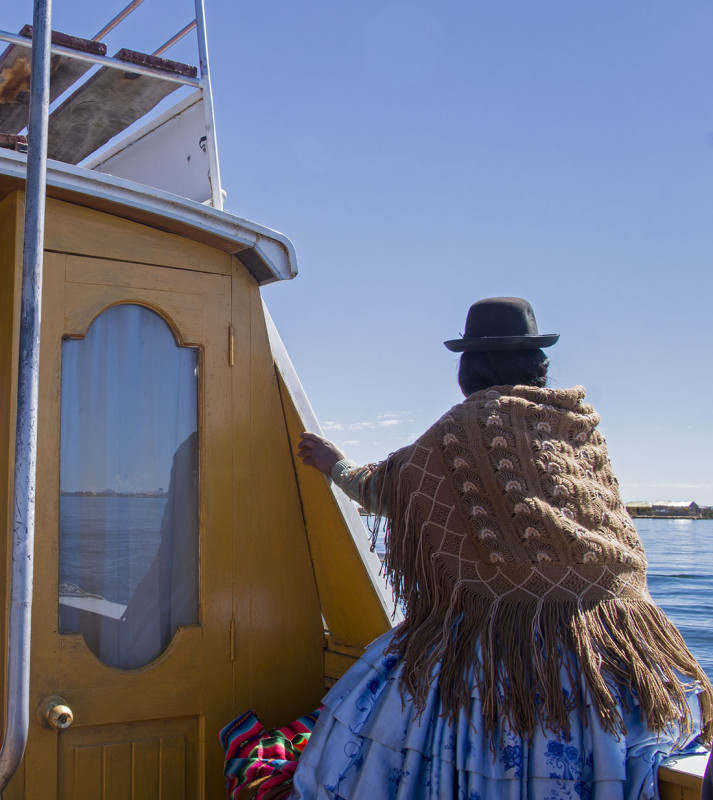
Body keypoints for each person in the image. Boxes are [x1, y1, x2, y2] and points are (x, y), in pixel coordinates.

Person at [288, 297, 712, 800]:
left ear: (470, 366)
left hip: (503, 640)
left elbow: (389, 489)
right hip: (611, 651)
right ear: (536, 363)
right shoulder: (575, 423)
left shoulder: (462, 429)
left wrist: (335, 464)